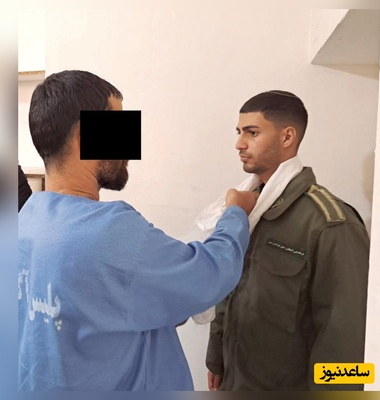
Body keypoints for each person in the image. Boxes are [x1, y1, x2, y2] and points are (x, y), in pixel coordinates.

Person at [18, 70, 259, 391]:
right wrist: (235, 213)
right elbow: (210, 274)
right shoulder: (108, 232)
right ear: (83, 137)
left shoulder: (25, 221)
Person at [205, 90, 370, 391]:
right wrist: (216, 357)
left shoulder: (329, 223)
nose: (239, 143)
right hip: (238, 382)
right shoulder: (248, 208)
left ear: (287, 137)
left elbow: (348, 334)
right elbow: (231, 288)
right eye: (239, 132)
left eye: (252, 132)